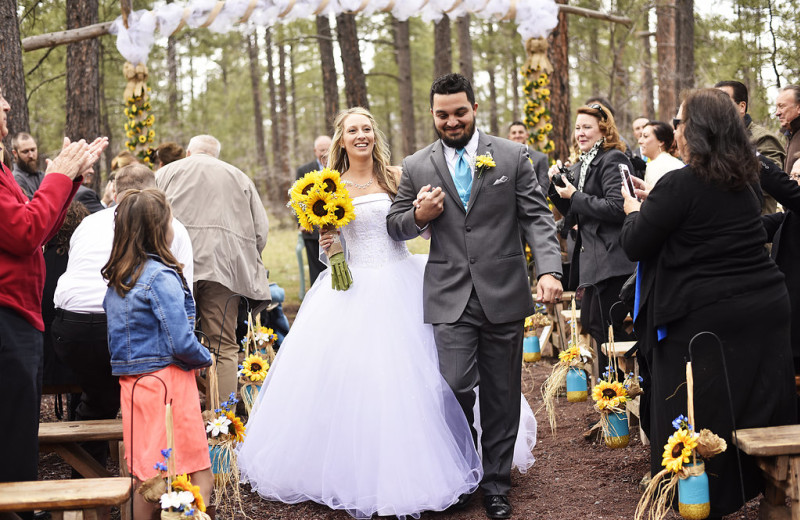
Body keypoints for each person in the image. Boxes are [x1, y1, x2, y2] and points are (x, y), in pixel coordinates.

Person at [240, 107, 491, 519]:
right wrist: (331, 248)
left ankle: (436, 460)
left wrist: (428, 216)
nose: (361, 136)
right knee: (356, 379)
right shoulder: (328, 185)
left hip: (401, 278)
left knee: (424, 373)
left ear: (375, 135)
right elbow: (329, 244)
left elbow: (420, 228)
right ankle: (353, 470)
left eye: (367, 129)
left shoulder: (396, 176)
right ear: (340, 139)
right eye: (352, 130)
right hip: (351, 287)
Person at [388, 74, 562, 520]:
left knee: (502, 392)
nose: (451, 122)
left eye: (459, 112)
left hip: (503, 292)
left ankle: (496, 484)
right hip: (448, 295)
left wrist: (548, 269)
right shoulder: (415, 165)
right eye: (442, 115)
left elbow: (537, 219)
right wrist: (417, 215)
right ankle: (462, 470)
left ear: (474, 108)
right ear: (432, 114)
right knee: (453, 385)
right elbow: (394, 225)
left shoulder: (511, 155)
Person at [620, 88, 797, 518]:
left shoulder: (679, 184)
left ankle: (700, 500)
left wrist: (631, 211)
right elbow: (707, 223)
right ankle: (753, 486)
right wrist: (654, 204)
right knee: (752, 403)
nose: (675, 130)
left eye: (679, 122)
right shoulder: (747, 178)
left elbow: (635, 244)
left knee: (695, 406)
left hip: (703, 317)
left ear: (695, 131)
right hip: (765, 308)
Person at [0, 83, 107, 513]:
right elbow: (25, 232)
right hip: (6, 318)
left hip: (18, 315)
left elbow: (38, 229)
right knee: (11, 433)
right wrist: (57, 177)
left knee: (19, 429)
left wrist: (69, 180)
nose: (7, 105)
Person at [52, 163, 194, 471]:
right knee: (135, 392)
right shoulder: (171, 226)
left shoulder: (89, 223)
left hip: (69, 326)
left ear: (114, 192)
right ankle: (145, 474)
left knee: (98, 396)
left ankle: (90, 481)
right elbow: (183, 297)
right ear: (157, 191)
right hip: (121, 328)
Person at [102, 188, 213, 520]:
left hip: (134, 386)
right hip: (168, 384)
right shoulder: (159, 276)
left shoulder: (119, 278)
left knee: (148, 479)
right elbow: (181, 340)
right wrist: (205, 358)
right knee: (199, 475)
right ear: (158, 228)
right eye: (168, 219)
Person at [157, 134, 270, 404]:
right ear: (216, 155)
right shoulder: (239, 177)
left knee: (167, 341)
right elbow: (260, 232)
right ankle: (223, 424)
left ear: (188, 153)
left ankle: (173, 418)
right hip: (223, 269)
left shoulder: (165, 173)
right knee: (223, 346)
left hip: (173, 268)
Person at [546, 103, 635, 350]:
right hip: (593, 262)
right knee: (593, 322)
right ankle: (618, 381)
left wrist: (574, 195)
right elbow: (574, 216)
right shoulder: (581, 164)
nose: (580, 133)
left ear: (603, 131)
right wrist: (557, 188)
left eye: (587, 127)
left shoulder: (613, 158)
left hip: (614, 259)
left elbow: (618, 207)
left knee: (601, 324)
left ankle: (630, 375)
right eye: (578, 128)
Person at [716, 80, 786, 214]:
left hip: (758, 226)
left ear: (742, 107)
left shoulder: (763, 139)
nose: (717, 107)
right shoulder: (718, 140)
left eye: (723, 100)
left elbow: (770, 186)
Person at [295, 135, 331, 286]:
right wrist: (302, 223)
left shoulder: (341, 165)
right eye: (321, 150)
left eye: (327, 149)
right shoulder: (304, 170)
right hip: (313, 229)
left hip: (338, 225)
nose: (324, 153)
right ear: (315, 151)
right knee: (317, 273)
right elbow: (298, 199)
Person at [637, 121, 684, 186]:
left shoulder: (656, 166)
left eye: (645, 136)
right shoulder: (675, 163)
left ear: (661, 141)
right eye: (640, 136)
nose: (640, 141)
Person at [507, 121, 550, 192]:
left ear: (527, 135)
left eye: (520, 132)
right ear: (509, 137)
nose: (517, 135)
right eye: (514, 133)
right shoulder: (503, 157)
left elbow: (543, 188)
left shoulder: (541, 158)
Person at [11, 132, 44, 199]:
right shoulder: (16, 179)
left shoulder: (42, 175)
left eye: (33, 150)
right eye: (25, 151)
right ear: (15, 153)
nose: (31, 155)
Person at [775, 85, 800, 173]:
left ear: (799, 108)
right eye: (777, 107)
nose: (777, 113)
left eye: (782, 106)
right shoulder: (790, 134)